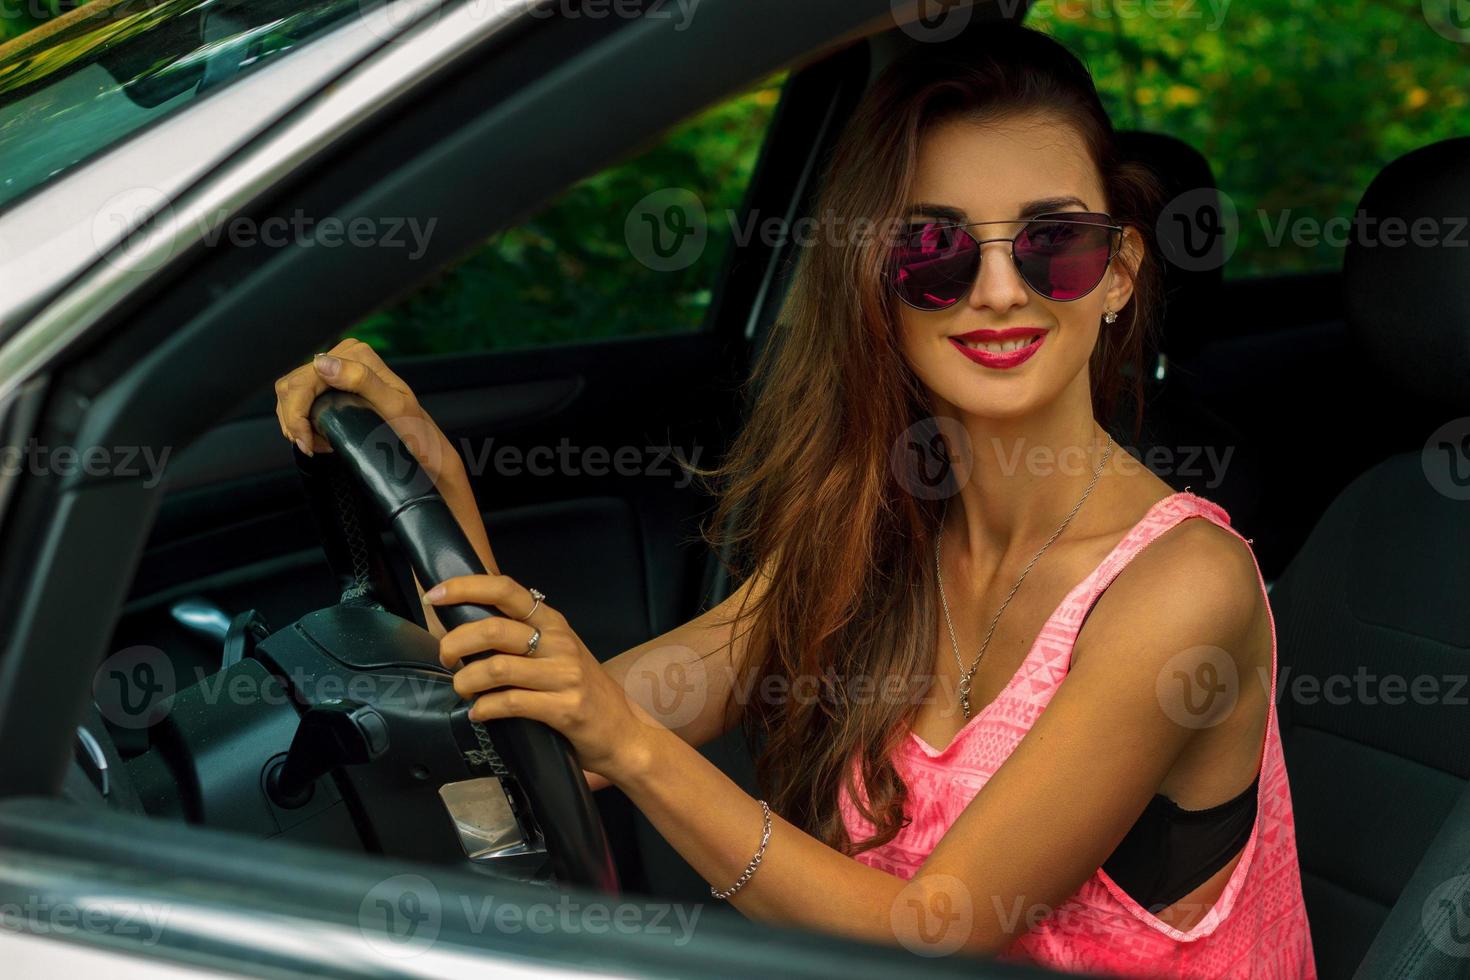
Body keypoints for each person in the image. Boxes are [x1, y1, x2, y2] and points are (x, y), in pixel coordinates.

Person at [274, 23, 1315, 977]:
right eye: (935, 250)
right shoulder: (886, 538)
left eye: (1055, 241)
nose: (1001, 288)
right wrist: (434, 489)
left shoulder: (1182, 590)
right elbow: (549, 733)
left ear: (1122, 271)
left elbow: (935, 930)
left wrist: (632, 749)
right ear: (879, 281)